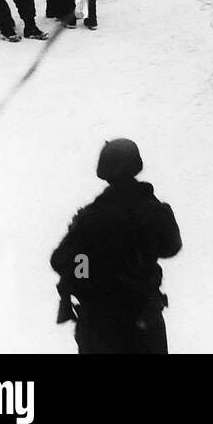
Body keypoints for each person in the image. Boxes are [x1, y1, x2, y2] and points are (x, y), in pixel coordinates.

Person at [50, 139, 182, 355]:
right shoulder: (152, 210)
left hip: (101, 324)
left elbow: (64, 259)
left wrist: (84, 280)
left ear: (104, 170)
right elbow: (171, 247)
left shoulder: (91, 216)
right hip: (143, 318)